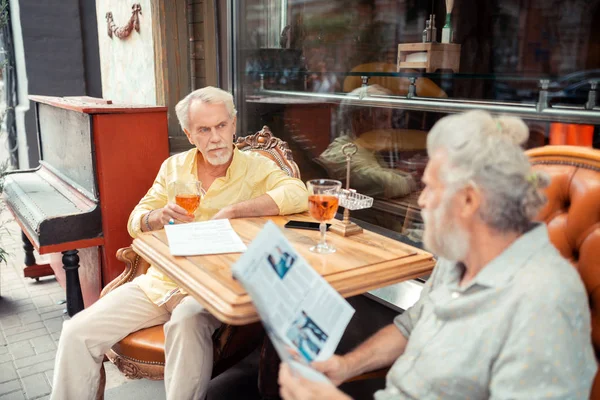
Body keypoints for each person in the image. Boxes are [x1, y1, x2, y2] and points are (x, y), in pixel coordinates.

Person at [279, 110, 598, 400]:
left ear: (469, 200)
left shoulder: (544, 301)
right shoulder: (459, 258)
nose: (422, 201)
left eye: (430, 188)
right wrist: (345, 365)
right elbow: (410, 326)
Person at [51, 86, 308, 400]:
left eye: (221, 126)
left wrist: (235, 210)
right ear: (189, 134)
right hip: (162, 280)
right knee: (76, 333)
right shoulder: (173, 168)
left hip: (215, 285)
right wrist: (158, 216)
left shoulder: (257, 168)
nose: (215, 137)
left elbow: (298, 194)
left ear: (233, 123)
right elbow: (136, 220)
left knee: (185, 322)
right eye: (204, 129)